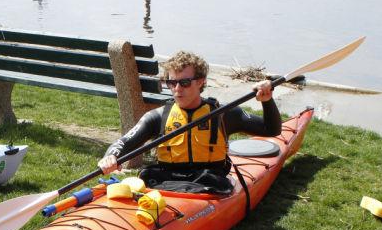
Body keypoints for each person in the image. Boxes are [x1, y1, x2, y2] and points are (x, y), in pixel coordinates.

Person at [97, 51, 282, 193]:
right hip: (165, 180)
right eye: (171, 83)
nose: (177, 89)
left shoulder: (223, 114)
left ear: (200, 82)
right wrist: (111, 156)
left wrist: (267, 100)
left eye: (184, 82)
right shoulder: (157, 117)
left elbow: (271, 129)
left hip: (209, 182)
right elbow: (123, 143)